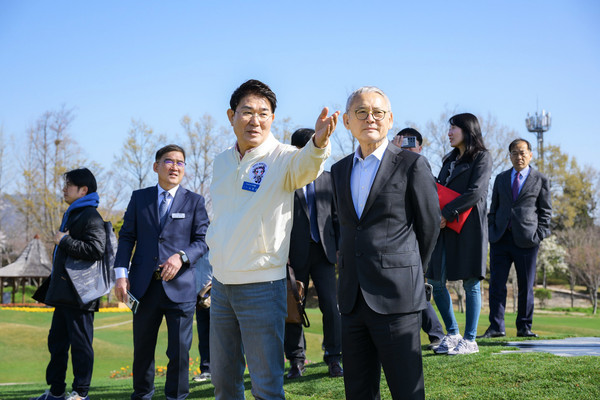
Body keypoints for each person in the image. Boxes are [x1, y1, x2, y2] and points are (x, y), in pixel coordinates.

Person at [206, 79, 339, 400]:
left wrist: (318, 143)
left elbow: (307, 166)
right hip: (222, 286)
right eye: (247, 112)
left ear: (273, 119)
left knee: (266, 386)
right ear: (231, 115)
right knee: (224, 383)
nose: (255, 120)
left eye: (263, 113)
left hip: (263, 286)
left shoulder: (284, 158)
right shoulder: (222, 160)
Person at [331, 87, 440, 400]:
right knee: (359, 393)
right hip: (351, 300)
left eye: (378, 112)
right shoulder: (338, 171)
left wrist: (410, 273)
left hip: (398, 298)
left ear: (390, 119)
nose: (370, 118)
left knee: (407, 392)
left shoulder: (412, 165)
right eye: (361, 113)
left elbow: (429, 227)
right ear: (348, 122)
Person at [114, 144, 210, 400]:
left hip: (181, 288)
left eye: (180, 162)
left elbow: (203, 241)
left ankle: (176, 397)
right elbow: (126, 238)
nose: (175, 166)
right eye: (169, 161)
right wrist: (120, 275)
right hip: (142, 287)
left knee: (179, 352)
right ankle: (142, 396)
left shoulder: (195, 201)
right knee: (143, 350)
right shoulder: (139, 198)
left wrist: (181, 257)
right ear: (156, 166)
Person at [30, 168, 106, 400]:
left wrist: (65, 240)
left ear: (83, 190)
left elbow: (96, 249)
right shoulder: (73, 213)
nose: (64, 189)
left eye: (69, 185)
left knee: (81, 346)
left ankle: (80, 393)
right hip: (66, 292)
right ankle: (56, 392)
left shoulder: (90, 215)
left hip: (80, 294)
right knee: (57, 344)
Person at [427, 113, 492, 356]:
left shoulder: (482, 157)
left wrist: (447, 212)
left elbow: (476, 192)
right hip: (444, 226)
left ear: (467, 129)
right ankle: (453, 334)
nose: (449, 132)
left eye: (453, 127)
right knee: (435, 280)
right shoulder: (449, 159)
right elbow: (440, 188)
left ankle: (470, 339)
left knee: (471, 282)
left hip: (469, 226)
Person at [284, 128, 343, 379]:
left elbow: (338, 217)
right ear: (297, 152)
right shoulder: (286, 179)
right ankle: (296, 361)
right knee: (293, 309)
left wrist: (339, 249)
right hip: (292, 256)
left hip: (324, 253)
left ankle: (334, 358)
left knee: (331, 307)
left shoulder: (330, 179)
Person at [479, 138, 552, 339]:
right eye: (514, 153)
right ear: (509, 155)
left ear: (530, 154)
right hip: (500, 238)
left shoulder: (540, 179)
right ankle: (496, 327)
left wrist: (539, 235)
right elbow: (493, 208)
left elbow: (546, 212)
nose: (518, 157)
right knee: (496, 285)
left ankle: (524, 327)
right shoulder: (501, 178)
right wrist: (491, 230)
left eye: (522, 152)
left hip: (527, 240)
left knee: (526, 286)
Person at [391, 128, 445, 350]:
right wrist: (391, 154)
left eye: (412, 145)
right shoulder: (390, 165)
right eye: (403, 145)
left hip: (413, 244)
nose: (408, 149)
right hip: (395, 242)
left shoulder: (422, 168)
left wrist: (422, 256)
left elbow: (428, 217)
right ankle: (435, 334)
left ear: (420, 148)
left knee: (415, 291)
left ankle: (437, 333)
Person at [192, 252, 212, 382]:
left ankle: (222, 370)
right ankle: (206, 370)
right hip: (199, 296)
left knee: (220, 335)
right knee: (203, 335)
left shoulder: (216, 242)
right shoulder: (195, 246)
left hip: (216, 293)